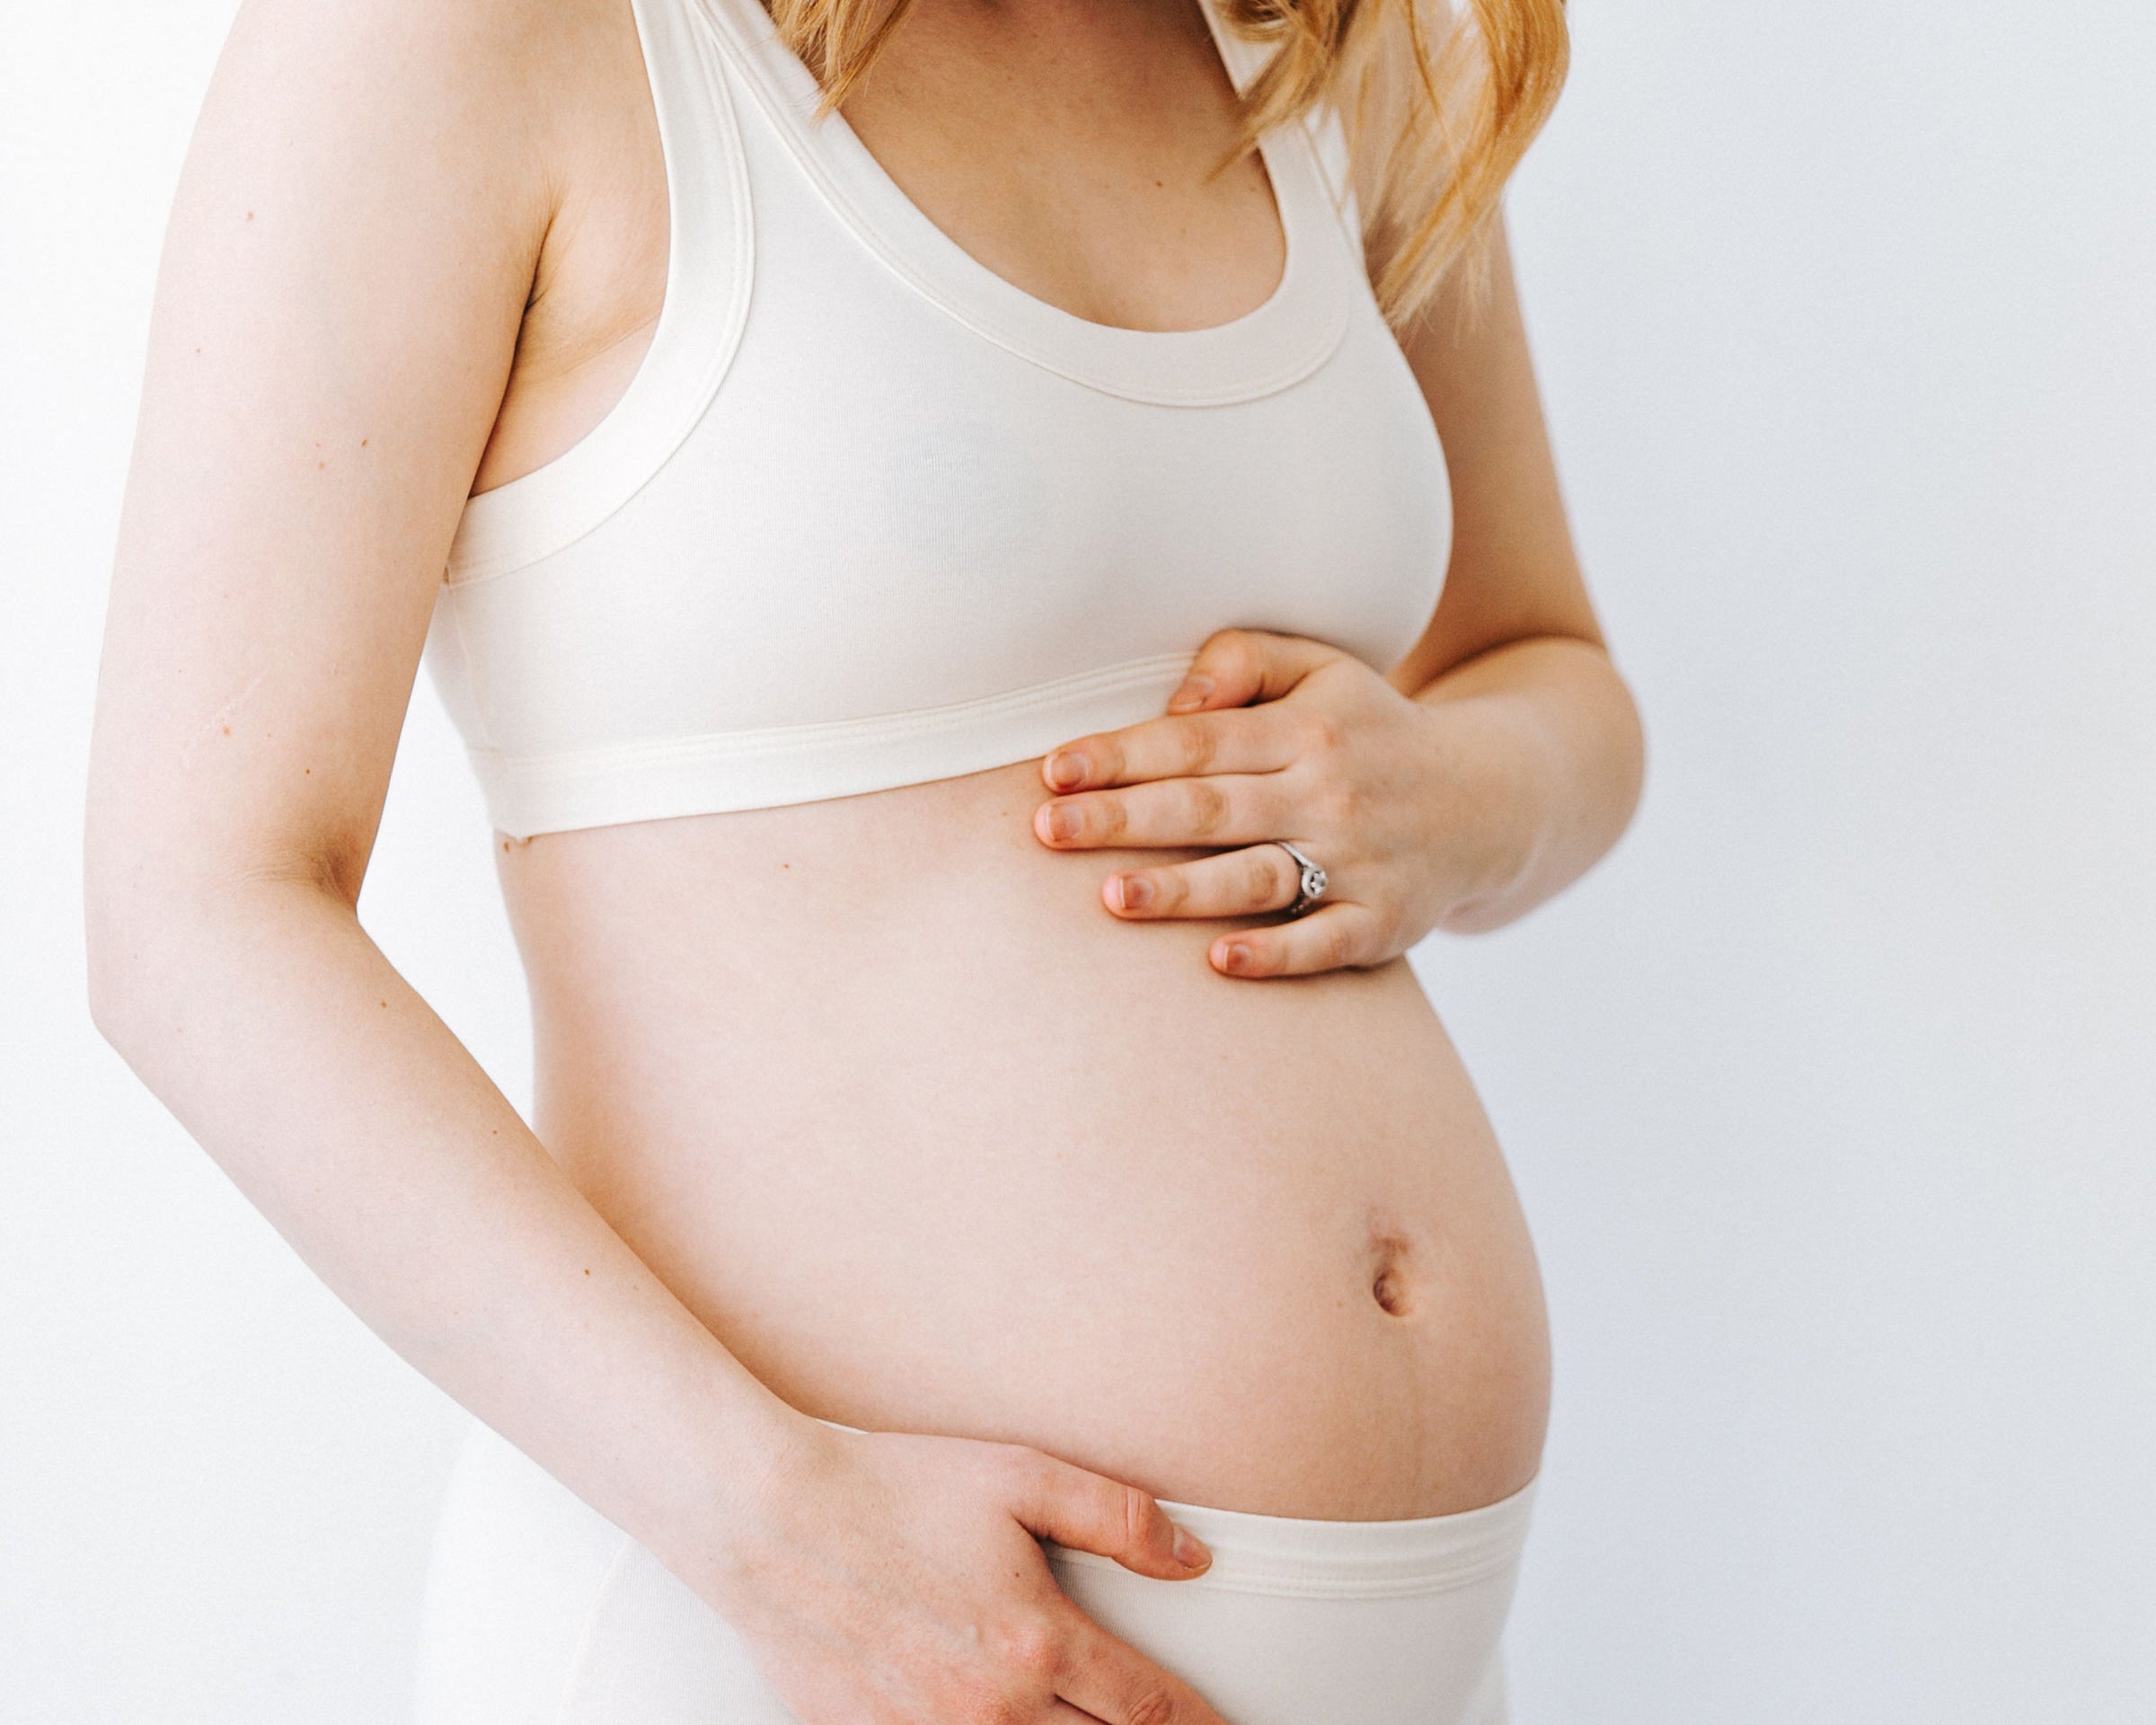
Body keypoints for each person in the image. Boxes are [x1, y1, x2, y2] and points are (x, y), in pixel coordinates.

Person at [85, 0, 1642, 1717]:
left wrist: (1458, 792)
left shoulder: (1331, 48)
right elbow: (197, 909)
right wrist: (773, 1525)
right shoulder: (472, 38)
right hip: (811, 1645)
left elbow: (1545, 665)